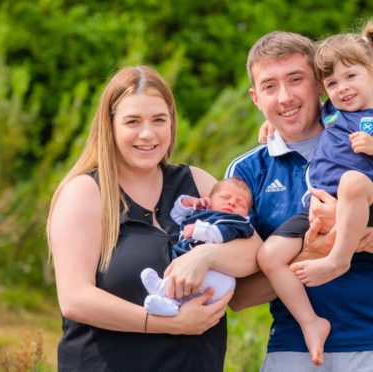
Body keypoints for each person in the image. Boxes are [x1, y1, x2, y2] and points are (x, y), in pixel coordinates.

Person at [225, 29, 373, 371]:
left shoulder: (372, 141)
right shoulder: (246, 172)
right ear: (256, 98)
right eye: (270, 87)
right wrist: (315, 249)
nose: (284, 97)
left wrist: (349, 231)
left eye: (296, 79)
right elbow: (239, 296)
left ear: (318, 84)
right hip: (293, 347)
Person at [47, 65, 260, 371]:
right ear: (110, 126)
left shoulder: (197, 183)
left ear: (172, 123)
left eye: (159, 120)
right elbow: (75, 299)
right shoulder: (85, 193)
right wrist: (168, 324)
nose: (148, 134)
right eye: (132, 121)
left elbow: (253, 249)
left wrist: (206, 256)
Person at [141, 177, 254, 316]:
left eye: (241, 204)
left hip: (220, 277)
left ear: (247, 213)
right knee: (185, 289)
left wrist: (199, 230)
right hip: (198, 275)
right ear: (209, 200)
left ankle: (162, 289)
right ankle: (170, 306)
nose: (232, 203)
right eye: (225, 197)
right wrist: (187, 204)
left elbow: (221, 234)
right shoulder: (202, 215)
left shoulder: (236, 221)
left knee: (188, 279)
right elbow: (176, 220)